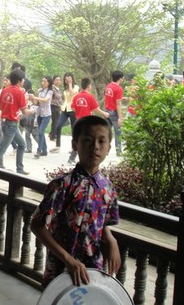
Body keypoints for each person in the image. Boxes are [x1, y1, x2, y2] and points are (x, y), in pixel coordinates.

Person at [31, 115, 121, 287]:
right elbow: (37, 225)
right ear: (75, 144)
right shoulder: (62, 185)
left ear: (109, 148)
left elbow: (101, 223)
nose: (95, 147)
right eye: (87, 140)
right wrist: (68, 259)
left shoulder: (107, 188)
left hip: (92, 271)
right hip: (61, 269)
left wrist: (111, 240)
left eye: (102, 141)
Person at [0, 68, 32, 175]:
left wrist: (10, 107)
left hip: (6, 122)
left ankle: (20, 169)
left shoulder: (5, 90)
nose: (24, 81)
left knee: (22, 144)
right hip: (11, 124)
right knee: (2, 148)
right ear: (19, 80)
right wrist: (32, 110)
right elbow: (25, 111)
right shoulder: (19, 92)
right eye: (23, 79)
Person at [69, 78, 109, 164]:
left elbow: (72, 108)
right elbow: (95, 109)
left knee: (79, 139)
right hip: (86, 122)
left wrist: (79, 110)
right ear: (89, 86)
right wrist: (104, 114)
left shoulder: (77, 96)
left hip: (78, 121)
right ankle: (82, 158)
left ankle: (72, 158)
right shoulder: (90, 96)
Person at [51, 72, 79, 153]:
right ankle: (57, 146)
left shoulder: (76, 87)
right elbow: (66, 99)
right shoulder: (65, 88)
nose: (67, 81)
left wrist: (70, 83)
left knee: (73, 128)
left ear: (72, 79)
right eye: (66, 80)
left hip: (73, 109)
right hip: (65, 109)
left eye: (69, 79)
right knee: (58, 125)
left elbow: (72, 93)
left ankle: (74, 147)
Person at [31, 76, 53, 158]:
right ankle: (44, 150)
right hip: (39, 114)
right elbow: (37, 102)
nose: (43, 83)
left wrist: (35, 97)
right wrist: (32, 99)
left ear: (48, 83)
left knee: (40, 132)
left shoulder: (50, 92)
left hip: (46, 115)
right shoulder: (40, 91)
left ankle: (39, 151)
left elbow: (45, 100)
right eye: (42, 81)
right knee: (41, 133)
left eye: (45, 81)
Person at [104, 70, 124, 156]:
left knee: (107, 132)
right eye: (122, 78)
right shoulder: (119, 88)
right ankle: (118, 151)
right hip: (114, 113)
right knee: (118, 132)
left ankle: (105, 150)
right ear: (120, 78)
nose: (123, 79)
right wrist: (120, 117)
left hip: (107, 111)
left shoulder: (108, 86)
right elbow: (118, 104)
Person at [49, 75, 62, 142]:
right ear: (53, 81)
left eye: (59, 80)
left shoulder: (58, 89)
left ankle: (52, 134)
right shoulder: (52, 88)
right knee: (55, 122)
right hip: (53, 106)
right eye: (57, 80)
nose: (58, 81)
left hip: (58, 107)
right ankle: (53, 136)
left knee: (56, 121)